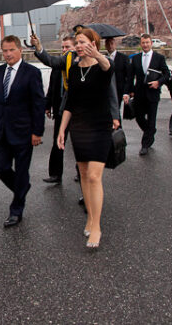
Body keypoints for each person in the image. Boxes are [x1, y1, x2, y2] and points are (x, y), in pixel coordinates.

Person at [57, 28, 119, 249]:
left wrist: (97, 54)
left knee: (94, 176)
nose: (78, 46)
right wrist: (62, 130)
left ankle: (97, 227)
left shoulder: (102, 67)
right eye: (77, 43)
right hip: (79, 127)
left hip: (100, 126)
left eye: (83, 42)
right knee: (83, 173)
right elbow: (69, 103)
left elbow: (108, 67)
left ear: (93, 44)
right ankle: (90, 217)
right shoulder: (73, 70)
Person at [0, 35, 45, 228]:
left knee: (21, 171)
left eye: (11, 49)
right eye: (5, 50)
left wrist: (38, 132)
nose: (8, 54)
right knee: (1, 167)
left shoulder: (32, 72)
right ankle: (22, 188)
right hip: (1, 130)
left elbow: (38, 104)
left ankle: (16, 210)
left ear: (20, 50)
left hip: (23, 131)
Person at [35, 35, 74, 185]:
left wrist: (39, 48)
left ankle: (81, 172)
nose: (64, 50)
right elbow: (52, 87)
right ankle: (55, 174)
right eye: (63, 47)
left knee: (79, 144)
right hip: (60, 109)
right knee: (58, 141)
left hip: (75, 110)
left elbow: (49, 60)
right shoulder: (59, 66)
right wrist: (47, 105)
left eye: (67, 47)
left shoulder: (76, 64)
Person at [124, 33, 170, 155]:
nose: (145, 45)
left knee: (151, 120)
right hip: (139, 94)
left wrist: (158, 82)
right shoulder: (136, 58)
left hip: (153, 94)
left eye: (147, 42)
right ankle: (150, 132)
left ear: (151, 43)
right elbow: (130, 77)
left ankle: (145, 144)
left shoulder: (159, 58)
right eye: (143, 43)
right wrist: (127, 92)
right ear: (141, 44)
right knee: (139, 117)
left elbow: (167, 75)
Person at [105, 36, 130, 121]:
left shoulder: (123, 58)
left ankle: (118, 130)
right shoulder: (104, 59)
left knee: (116, 112)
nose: (110, 46)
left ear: (115, 44)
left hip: (119, 89)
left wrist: (127, 92)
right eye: (108, 44)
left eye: (111, 43)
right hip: (108, 89)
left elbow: (128, 76)